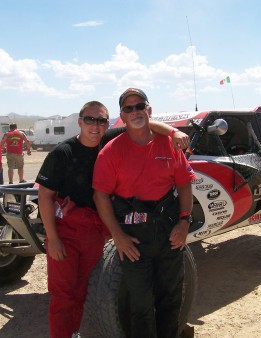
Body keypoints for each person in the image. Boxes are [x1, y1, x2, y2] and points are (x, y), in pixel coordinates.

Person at [36, 100, 189, 338]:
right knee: (63, 292)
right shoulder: (63, 153)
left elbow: (146, 125)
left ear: (108, 123)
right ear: (80, 122)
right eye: (89, 120)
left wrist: (174, 132)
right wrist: (52, 238)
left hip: (96, 228)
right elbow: (44, 196)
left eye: (100, 121)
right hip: (67, 230)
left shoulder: (107, 139)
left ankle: (74, 331)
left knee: (82, 287)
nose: (95, 126)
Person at [93, 88, 195, 338]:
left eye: (140, 106)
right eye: (129, 109)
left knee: (170, 299)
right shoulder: (111, 152)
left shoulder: (170, 146)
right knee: (140, 305)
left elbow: (184, 185)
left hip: (169, 233)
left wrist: (184, 222)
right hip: (134, 238)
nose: (135, 111)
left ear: (149, 110)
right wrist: (117, 235)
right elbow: (100, 196)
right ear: (123, 116)